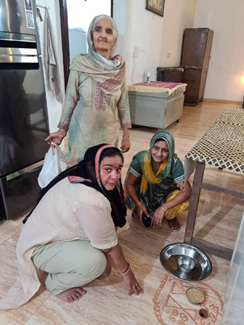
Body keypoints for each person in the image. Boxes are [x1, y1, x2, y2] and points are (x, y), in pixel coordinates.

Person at [0, 144, 143, 310]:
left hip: (48, 234)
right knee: (95, 263)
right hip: (38, 248)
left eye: (118, 169)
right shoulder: (89, 199)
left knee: (103, 257)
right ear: (93, 166)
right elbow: (110, 247)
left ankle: (64, 264)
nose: (115, 176)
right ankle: (55, 284)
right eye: (108, 169)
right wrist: (128, 275)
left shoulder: (82, 174)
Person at [46, 15, 131, 166]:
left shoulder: (119, 69)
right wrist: (61, 131)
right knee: (81, 172)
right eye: (98, 30)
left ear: (114, 40)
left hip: (109, 134)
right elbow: (70, 98)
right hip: (82, 134)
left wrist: (126, 135)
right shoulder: (80, 63)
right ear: (91, 35)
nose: (103, 35)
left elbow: (123, 103)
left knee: (104, 171)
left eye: (108, 31)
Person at [125, 130, 191, 231]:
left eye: (165, 150)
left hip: (164, 194)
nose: (159, 154)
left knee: (183, 200)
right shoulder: (141, 159)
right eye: (156, 148)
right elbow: (129, 184)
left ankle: (171, 217)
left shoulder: (174, 163)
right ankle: (140, 208)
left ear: (170, 150)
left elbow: (186, 191)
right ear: (151, 146)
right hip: (145, 193)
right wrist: (138, 204)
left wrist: (163, 208)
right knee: (125, 191)